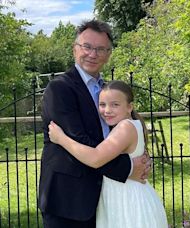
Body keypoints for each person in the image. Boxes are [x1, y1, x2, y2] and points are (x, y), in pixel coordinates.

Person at [39, 20, 151, 228]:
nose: (93, 54)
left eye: (100, 49)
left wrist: (141, 158)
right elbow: (79, 140)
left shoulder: (108, 91)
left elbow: (121, 133)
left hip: (106, 196)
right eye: (87, 47)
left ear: (108, 54)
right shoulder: (59, 89)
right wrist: (127, 167)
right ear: (75, 49)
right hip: (70, 200)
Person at [48, 80, 168, 227]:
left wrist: (61, 139)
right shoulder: (128, 125)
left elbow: (95, 158)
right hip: (125, 194)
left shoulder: (125, 127)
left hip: (127, 200)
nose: (107, 110)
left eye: (115, 105)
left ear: (129, 107)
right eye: (102, 104)